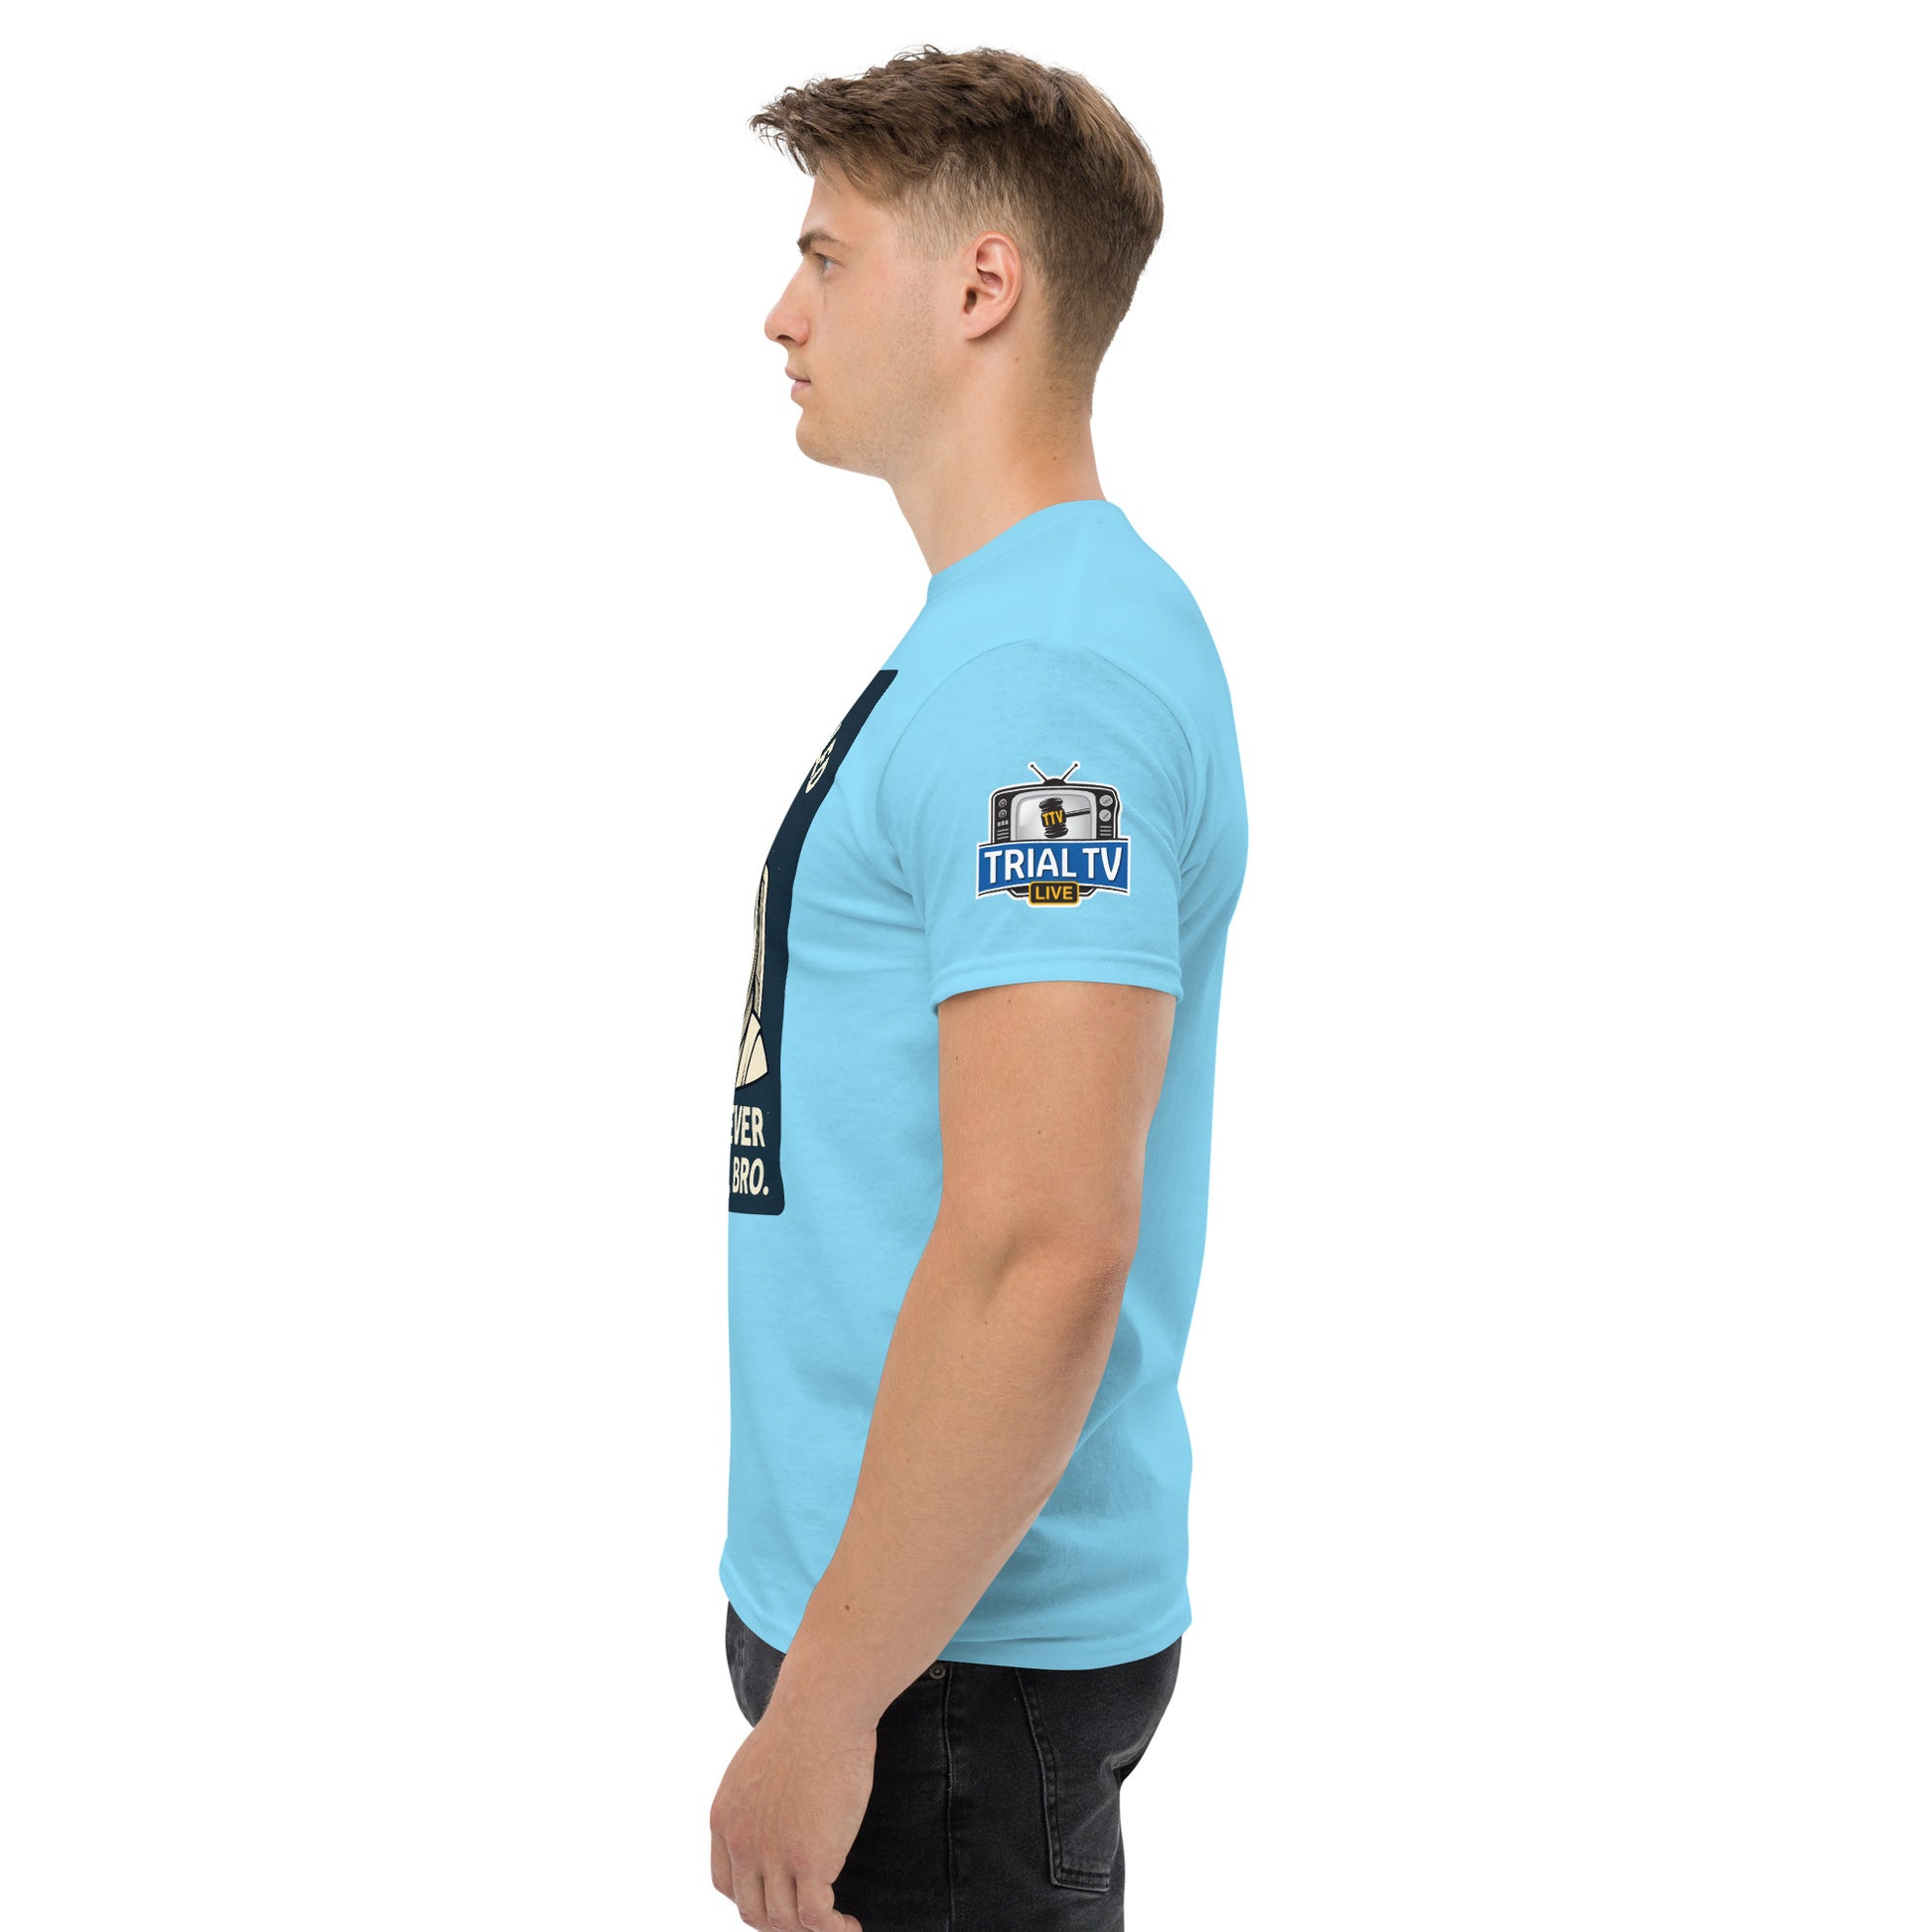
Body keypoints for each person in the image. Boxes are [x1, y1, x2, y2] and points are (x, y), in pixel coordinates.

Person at [709, 43, 1248, 1932]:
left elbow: (1043, 1247)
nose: (781, 313)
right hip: (922, 1645)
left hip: (944, 1677)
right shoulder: (1013, 638)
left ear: (981, 286)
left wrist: (830, 1703)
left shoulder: (1043, 686)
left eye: (825, 256)